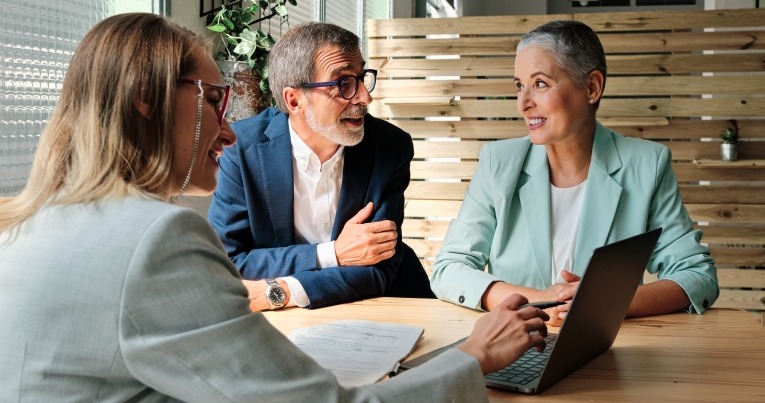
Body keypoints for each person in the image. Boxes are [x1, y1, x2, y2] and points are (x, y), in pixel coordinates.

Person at [0, 13, 550, 401]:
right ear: (150, 99)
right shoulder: (155, 238)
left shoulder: (31, 224)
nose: (228, 128)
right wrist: (471, 360)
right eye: (215, 98)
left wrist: (271, 290)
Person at [430, 20, 719, 326]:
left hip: (608, 351)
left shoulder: (648, 165)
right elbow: (449, 269)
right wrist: (537, 302)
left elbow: (697, 275)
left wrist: (605, 300)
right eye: (519, 85)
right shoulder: (497, 163)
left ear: (592, 87)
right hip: (517, 348)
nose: (523, 103)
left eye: (540, 83)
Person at [208, 21, 433, 312]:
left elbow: (379, 267)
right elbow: (227, 261)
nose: (365, 97)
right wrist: (332, 254)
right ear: (294, 100)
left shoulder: (390, 147)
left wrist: (284, 290)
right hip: (284, 322)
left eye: (362, 78)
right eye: (344, 84)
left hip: (384, 306)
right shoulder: (240, 149)